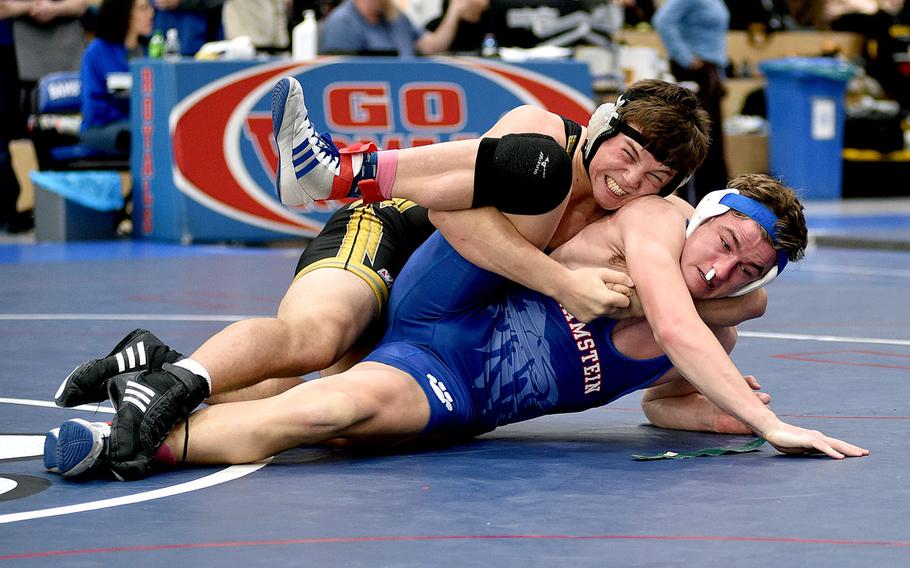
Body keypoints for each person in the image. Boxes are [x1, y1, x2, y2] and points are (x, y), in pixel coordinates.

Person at [53, 76, 766, 477]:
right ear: (604, 123)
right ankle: (343, 174)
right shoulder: (544, 139)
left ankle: (160, 363)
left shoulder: (647, 217)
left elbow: (683, 311)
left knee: (341, 397)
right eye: (630, 155)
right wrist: (559, 282)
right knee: (317, 334)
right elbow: (449, 215)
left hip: (455, 296)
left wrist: (743, 303)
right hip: (400, 224)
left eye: (656, 177)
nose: (631, 180)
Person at [46, 171, 869, 480]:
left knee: (330, 415)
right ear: (702, 212)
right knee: (319, 365)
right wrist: (774, 424)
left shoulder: (709, 313)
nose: (723, 273)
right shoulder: (654, 220)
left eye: (748, 273)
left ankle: (151, 372)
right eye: (725, 246)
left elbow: (665, 397)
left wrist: (721, 414)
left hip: (468, 399)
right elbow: (679, 325)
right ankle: (131, 442)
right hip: (427, 286)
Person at [653, 0, 730, 205]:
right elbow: (662, 21)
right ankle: (693, 207)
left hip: (711, 72)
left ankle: (714, 203)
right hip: (696, 74)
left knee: (713, 146)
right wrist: (685, 58)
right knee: (700, 144)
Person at [78, 0, 154, 158]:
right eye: (143, 8)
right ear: (124, 14)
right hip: (102, 128)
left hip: (142, 125)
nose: (151, 13)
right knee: (142, 136)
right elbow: (94, 108)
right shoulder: (97, 51)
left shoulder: (149, 51)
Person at [319, 0, 484, 56]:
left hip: (410, 93)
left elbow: (431, 46)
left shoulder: (394, 16)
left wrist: (454, 11)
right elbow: (340, 76)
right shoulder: (343, 23)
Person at [0, 0, 32, 233]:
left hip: (16, 50)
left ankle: (9, 208)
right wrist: (31, 6)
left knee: (9, 132)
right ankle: (8, 208)